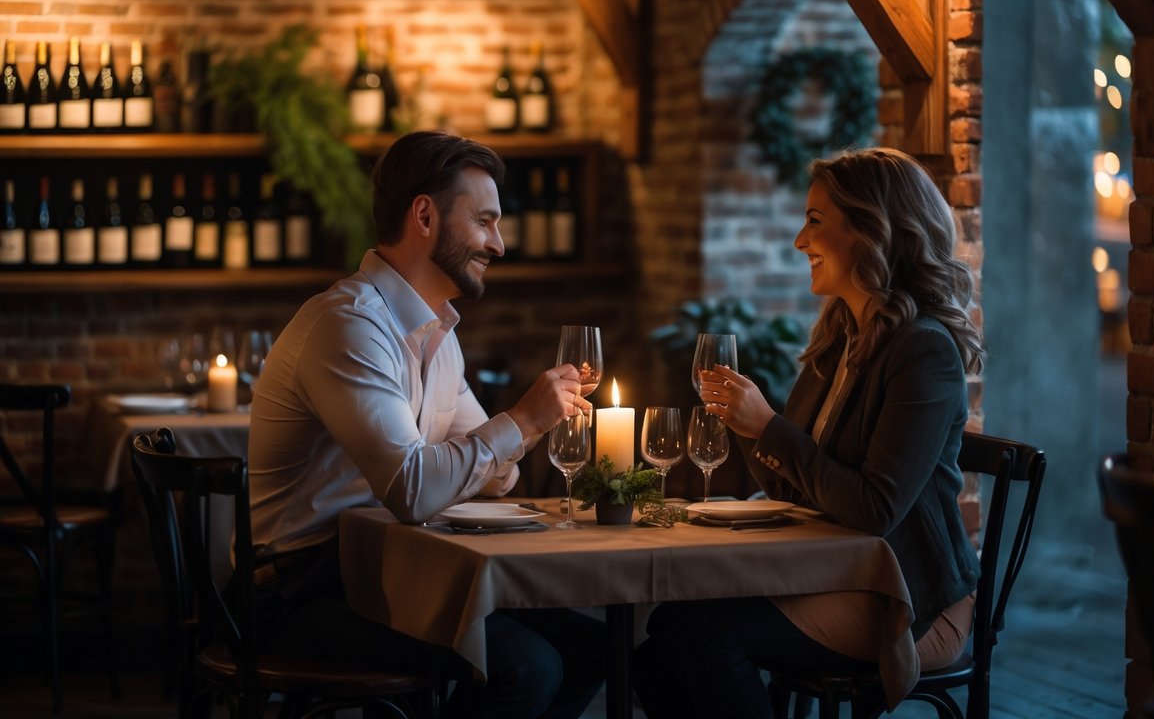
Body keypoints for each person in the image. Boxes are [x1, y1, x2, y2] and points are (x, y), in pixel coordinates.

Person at [246, 131, 605, 718]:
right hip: (298, 589)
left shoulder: (437, 331)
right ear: (424, 215)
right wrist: (519, 419)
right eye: (485, 222)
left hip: (393, 568)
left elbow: (492, 479)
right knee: (528, 666)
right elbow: (415, 491)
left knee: (592, 647)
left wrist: (539, 422)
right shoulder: (351, 326)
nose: (499, 244)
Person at [634, 147, 984, 718]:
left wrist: (769, 426)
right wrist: (747, 424)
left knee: (700, 638)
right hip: (836, 572)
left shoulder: (923, 350)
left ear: (870, 230)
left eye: (815, 221)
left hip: (907, 597)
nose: (800, 241)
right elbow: (791, 492)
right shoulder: (840, 336)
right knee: (659, 643)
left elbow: (875, 508)